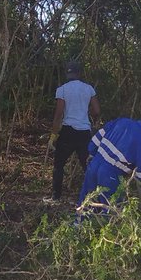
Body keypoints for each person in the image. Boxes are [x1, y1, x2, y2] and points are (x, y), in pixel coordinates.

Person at [76, 109, 141, 217]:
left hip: (93, 166)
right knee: (111, 213)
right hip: (111, 176)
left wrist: (93, 156)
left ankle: (76, 228)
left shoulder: (121, 121)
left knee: (85, 204)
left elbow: (96, 139)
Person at [47, 61, 100, 202]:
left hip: (68, 131)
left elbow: (58, 114)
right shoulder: (88, 89)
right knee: (87, 166)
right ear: (79, 73)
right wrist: (93, 121)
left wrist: (53, 135)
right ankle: (94, 198)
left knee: (58, 164)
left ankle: (56, 197)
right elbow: (96, 111)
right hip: (84, 132)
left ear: (67, 74)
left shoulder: (62, 89)